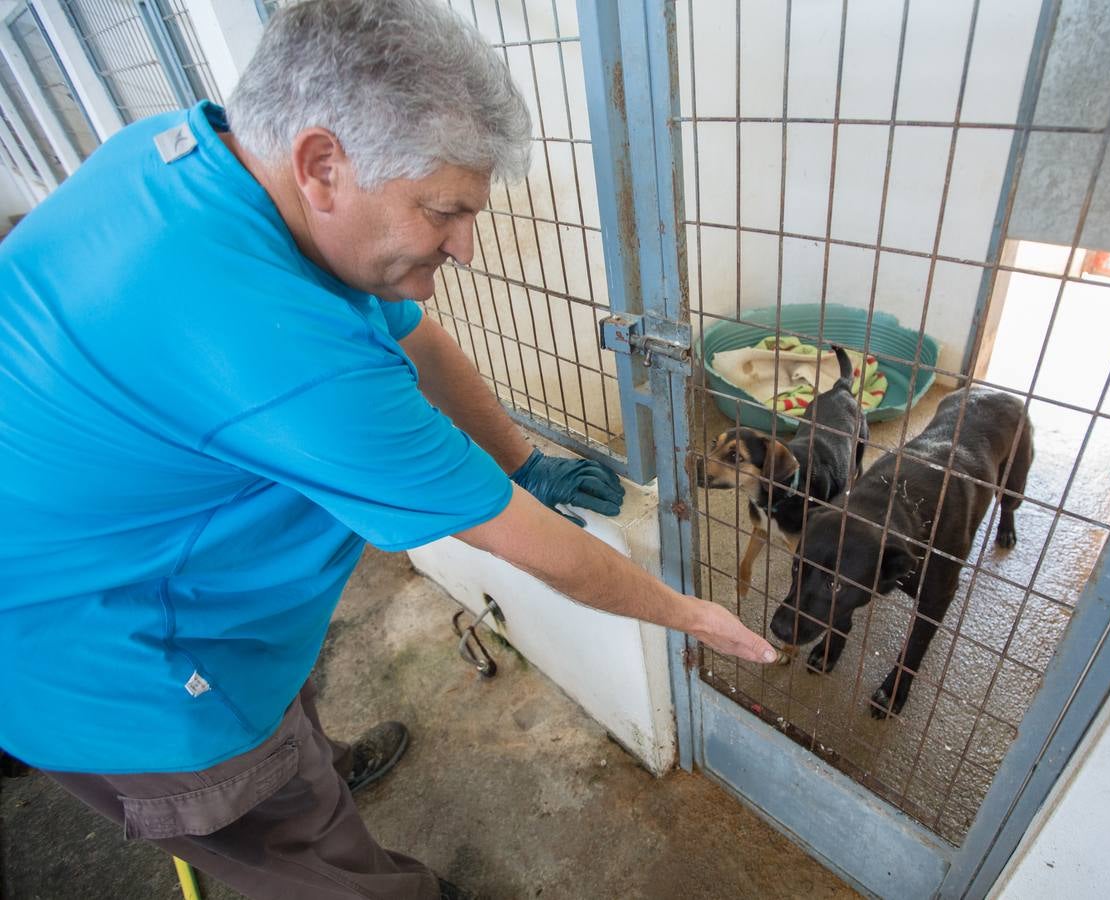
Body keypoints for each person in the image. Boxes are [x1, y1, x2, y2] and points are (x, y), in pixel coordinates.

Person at [0, 1, 775, 897]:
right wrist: (689, 615)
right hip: (113, 659)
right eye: (444, 211)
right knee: (294, 846)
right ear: (322, 164)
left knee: (288, 725)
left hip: (138, 551)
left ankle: (312, 769)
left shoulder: (179, 154)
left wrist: (524, 460)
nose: (467, 247)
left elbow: (417, 336)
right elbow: (530, 543)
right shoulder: (288, 355)